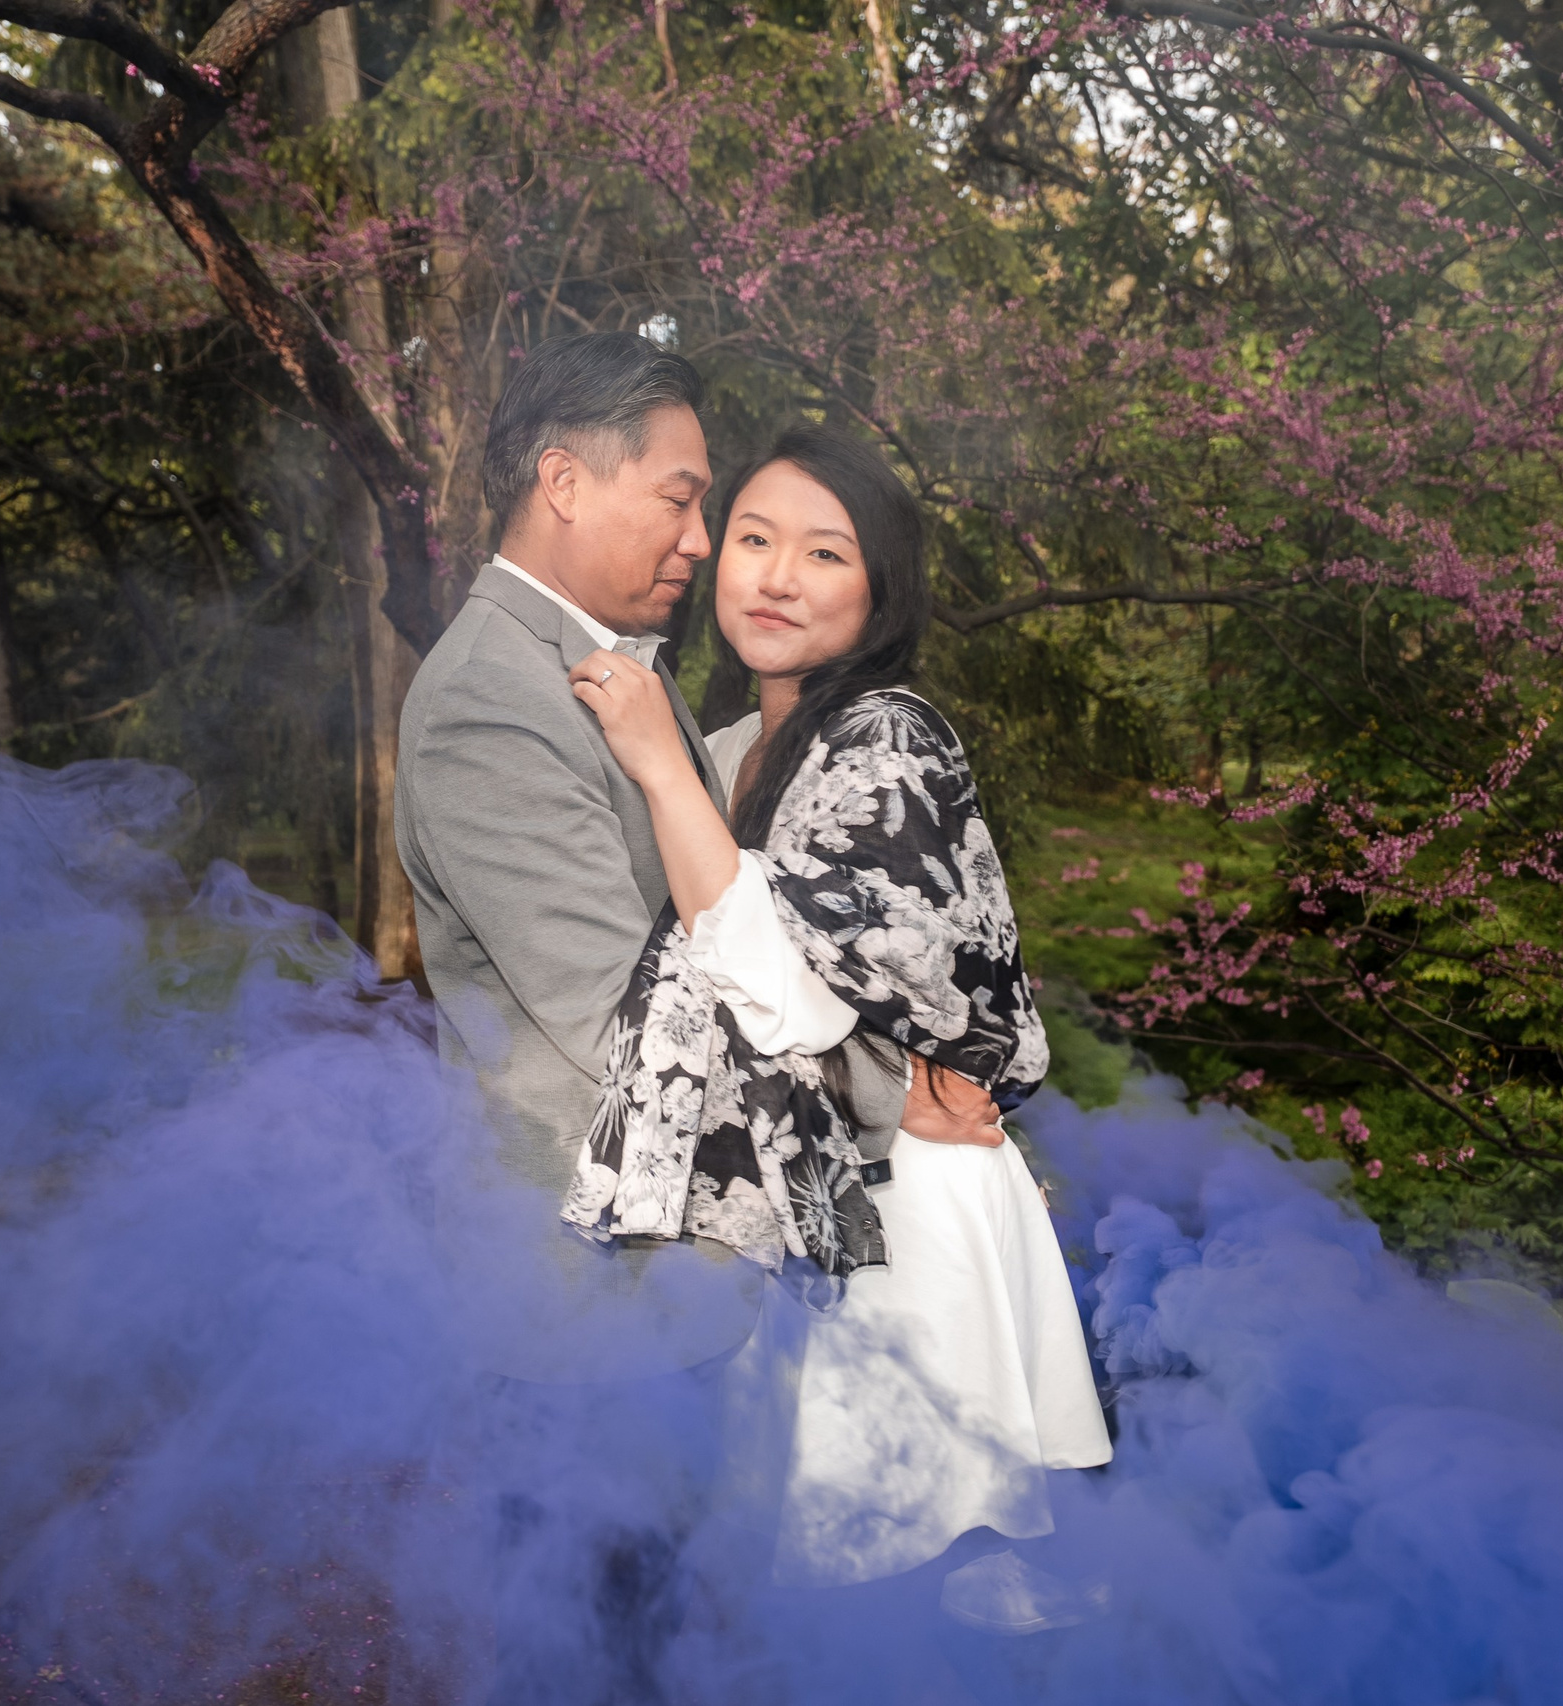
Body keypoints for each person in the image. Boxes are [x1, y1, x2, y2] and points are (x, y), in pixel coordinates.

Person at [394, 338, 948, 1701]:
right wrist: (891, 1086)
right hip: (592, 1306)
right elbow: (618, 1021)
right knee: (601, 1650)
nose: (704, 544)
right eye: (685, 499)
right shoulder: (489, 700)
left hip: (683, 1278)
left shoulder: (603, 679)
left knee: (688, 1642)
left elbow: (707, 875)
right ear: (562, 480)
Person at [559, 424, 1113, 1629]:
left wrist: (655, 768)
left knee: (921, 1584)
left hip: (906, 1207)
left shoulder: (888, 739)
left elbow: (791, 986)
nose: (774, 575)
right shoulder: (736, 745)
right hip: (811, 1192)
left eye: (824, 552)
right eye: (752, 539)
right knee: (808, 1588)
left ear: (879, 594)